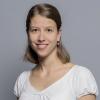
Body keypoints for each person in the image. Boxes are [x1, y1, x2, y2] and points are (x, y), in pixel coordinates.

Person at [14, 3, 99, 100]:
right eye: (35, 30)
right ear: (28, 34)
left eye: (49, 30)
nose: (41, 38)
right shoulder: (22, 80)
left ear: (58, 35)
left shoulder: (80, 77)